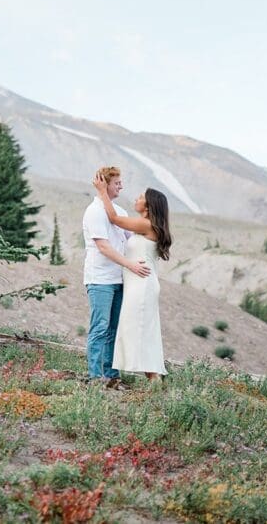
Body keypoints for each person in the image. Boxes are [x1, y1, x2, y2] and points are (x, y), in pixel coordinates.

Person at [92, 173, 172, 380]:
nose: (136, 199)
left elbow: (114, 218)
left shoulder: (146, 225)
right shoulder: (144, 227)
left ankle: (153, 376)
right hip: (138, 283)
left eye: (141, 197)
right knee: (139, 329)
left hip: (142, 285)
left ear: (149, 206)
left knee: (138, 329)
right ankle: (152, 377)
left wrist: (102, 192)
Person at [82, 166, 151, 389]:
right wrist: (131, 265)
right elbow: (103, 247)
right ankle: (95, 376)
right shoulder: (94, 211)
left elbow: (132, 239)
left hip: (119, 279)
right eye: (117, 183)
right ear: (105, 184)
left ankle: (111, 375)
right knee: (100, 328)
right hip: (100, 279)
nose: (121, 186)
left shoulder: (119, 211)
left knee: (114, 329)